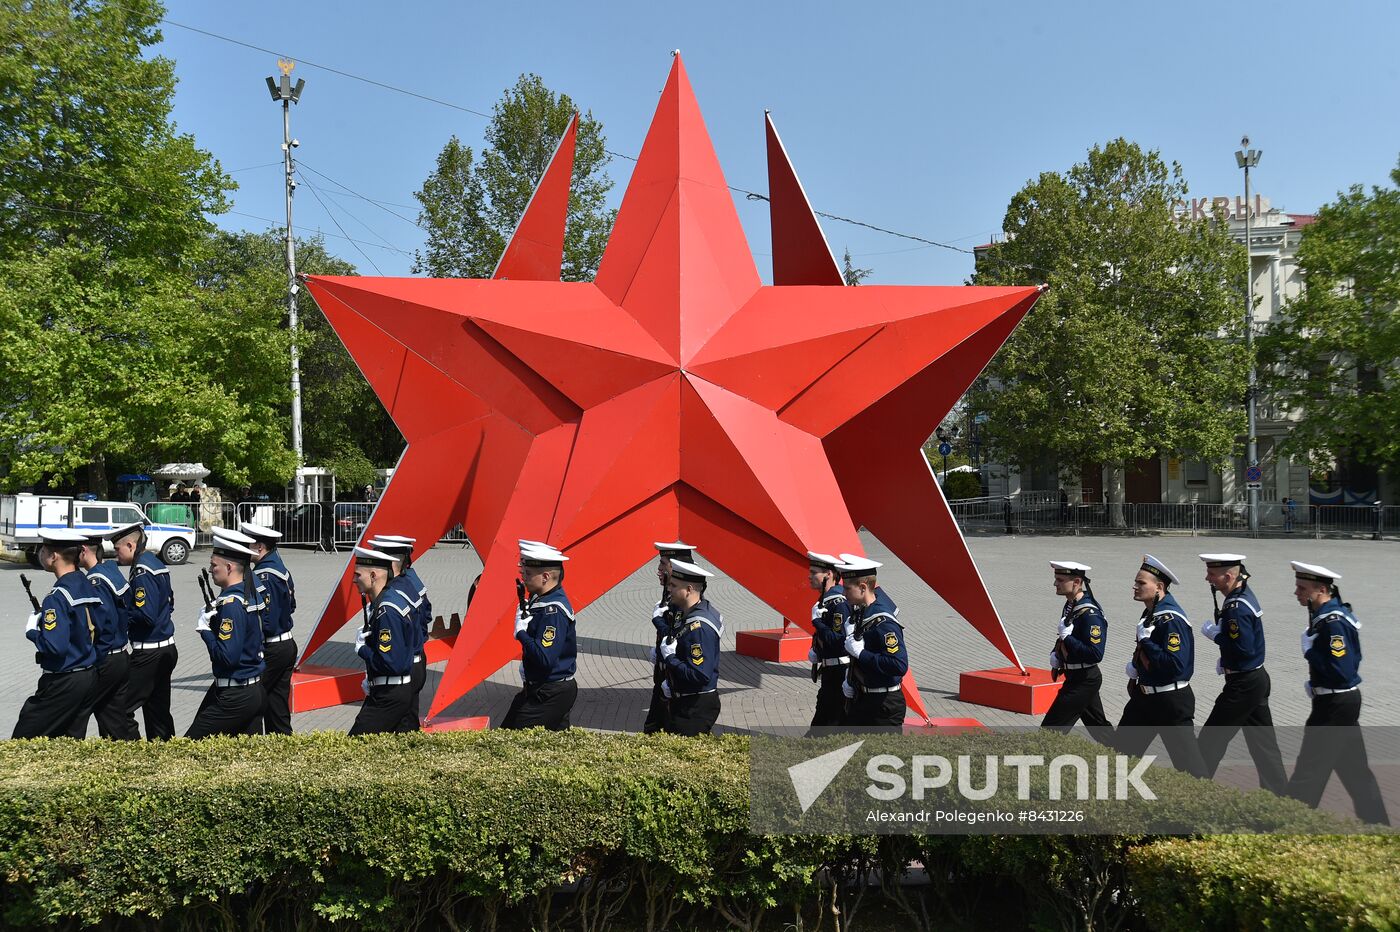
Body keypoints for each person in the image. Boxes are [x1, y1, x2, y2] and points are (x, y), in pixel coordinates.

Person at [1285, 562, 1388, 825]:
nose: (1296, 593)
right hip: (1339, 700)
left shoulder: (1333, 623)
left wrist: (1310, 652)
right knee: (1355, 772)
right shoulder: (1329, 616)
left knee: (1309, 770)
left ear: (1321, 590)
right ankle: (1379, 826)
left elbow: (1342, 670)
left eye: (1302, 588)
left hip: (1334, 704)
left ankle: (1286, 827)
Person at [1195, 553, 1286, 793]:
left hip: (1244, 684)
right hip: (1254, 679)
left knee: (1210, 741)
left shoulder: (1235, 607)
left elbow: (1243, 649)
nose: (1207, 578)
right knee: (1264, 747)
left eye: (1212, 574)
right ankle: (1279, 797)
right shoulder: (1242, 595)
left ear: (1228, 576)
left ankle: (1192, 792)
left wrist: (1217, 636)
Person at [1115, 555, 1207, 776]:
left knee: (1191, 772)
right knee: (1117, 758)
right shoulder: (1152, 611)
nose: (1135, 586)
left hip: (1170, 702)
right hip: (1144, 699)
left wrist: (1147, 642)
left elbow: (1175, 665)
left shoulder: (1171, 619)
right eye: (1136, 582)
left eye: (1141, 582)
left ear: (1159, 587)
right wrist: (1136, 668)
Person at [12, 529, 99, 738]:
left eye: (43, 550)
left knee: (24, 737)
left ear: (53, 556)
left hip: (63, 680)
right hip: (88, 674)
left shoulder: (57, 597)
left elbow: (55, 647)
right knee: (70, 740)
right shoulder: (86, 583)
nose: (40, 554)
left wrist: (33, 632)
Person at [185, 531, 266, 738]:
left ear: (229, 568)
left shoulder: (231, 604)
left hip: (235, 695)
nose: (210, 570)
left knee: (188, 745)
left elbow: (227, 658)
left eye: (214, 565)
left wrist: (205, 631)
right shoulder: (247, 592)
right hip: (253, 689)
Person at [69, 530, 139, 739]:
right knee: (113, 718)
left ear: (83, 550)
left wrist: (95, 658)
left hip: (106, 658)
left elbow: (103, 625)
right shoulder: (110, 571)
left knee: (77, 712)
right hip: (120, 654)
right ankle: (130, 754)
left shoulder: (95, 581)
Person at [111, 522, 178, 740]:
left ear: (131, 545)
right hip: (165, 647)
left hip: (149, 652)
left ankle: (133, 751)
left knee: (119, 709)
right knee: (157, 711)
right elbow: (168, 604)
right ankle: (163, 752)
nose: (116, 554)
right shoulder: (155, 562)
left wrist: (121, 612)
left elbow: (145, 615)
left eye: (118, 549)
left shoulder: (141, 571)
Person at [501, 541, 578, 730]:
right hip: (542, 689)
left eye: (528, 573)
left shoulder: (553, 611)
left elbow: (545, 658)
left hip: (549, 693)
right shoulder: (542, 598)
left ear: (545, 577)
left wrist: (521, 633)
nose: (523, 577)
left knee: (512, 737)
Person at [348, 545, 419, 735]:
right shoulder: (388, 601)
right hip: (390, 689)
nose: (354, 580)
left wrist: (362, 649)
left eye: (358, 575)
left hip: (390, 695)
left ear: (373, 576)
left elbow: (390, 663)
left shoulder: (387, 611)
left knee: (355, 745)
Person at [1040, 560, 1111, 741]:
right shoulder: (1071, 604)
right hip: (1077, 675)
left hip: (1084, 679)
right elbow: (1067, 631)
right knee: (1099, 728)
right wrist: (1056, 653)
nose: (1055, 583)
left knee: (1050, 730)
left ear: (1077, 582)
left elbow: (1096, 654)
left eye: (1060, 580)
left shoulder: (1090, 614)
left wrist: (1068, 639)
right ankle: (1121, 752)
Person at [836, 554, 908, 729]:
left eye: (847, 589)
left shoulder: (884, 622)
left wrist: (862, 653)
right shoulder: (861, 612)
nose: (844, 594)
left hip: (884, 705)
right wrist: (851, 679)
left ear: (862, 587)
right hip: (864, 698)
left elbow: (899, 665)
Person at [655, 557, 723, 735]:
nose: (669, 589)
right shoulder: (693, 611)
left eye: (674, 585)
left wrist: (670, 659)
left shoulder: (699, 626)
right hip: (686, 701)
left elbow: (699, 675)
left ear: (689, 590)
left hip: (694, 707)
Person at [240, 521, 297, 735]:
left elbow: (267, 621)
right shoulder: (279, 568)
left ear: (259, 547)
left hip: (272, 647)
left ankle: (255, 745)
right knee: (277, 706)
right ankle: (282, 746)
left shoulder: (263, 575)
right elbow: (291, 606)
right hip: (285, 643)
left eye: (247, 544)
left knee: (251, 699)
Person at [368, 535, 428, 730]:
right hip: (415, 660)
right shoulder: (411, 582)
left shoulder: (395, 591)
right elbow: (425, 618)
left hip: (405, 665)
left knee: (400, 727)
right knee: (408, 724)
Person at [643, 540, 694, 734]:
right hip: (664, 680)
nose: (659, 569)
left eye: (663, 564)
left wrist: (659, 623)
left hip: (675, 684)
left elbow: (679, 637)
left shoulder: (684, 600)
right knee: (652, 730)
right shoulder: (669, 595)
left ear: (676, 567)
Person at [805, 551, 851, 728]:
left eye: (814, 572)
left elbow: (839, 640)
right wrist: (818, 650)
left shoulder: (838, 603)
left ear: (829, 575)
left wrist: (818, 623)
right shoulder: (826, 601)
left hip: (839, 672)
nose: (809, 577)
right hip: (830, 671)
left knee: (827, 724)